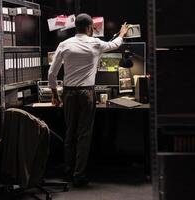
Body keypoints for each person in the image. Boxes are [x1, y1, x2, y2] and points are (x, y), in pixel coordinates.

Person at [48, 13, 129, 187]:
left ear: (75, 27)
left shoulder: (64, 44)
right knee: (83, 134)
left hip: (68, 93)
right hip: (86, 94)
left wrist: (55, 95)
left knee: (70, 132)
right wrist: (122, 33)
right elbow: (114, 44)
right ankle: (79, 175)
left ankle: (68, 171)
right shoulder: (96, 43)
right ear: (90, 27)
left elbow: (52, 73)